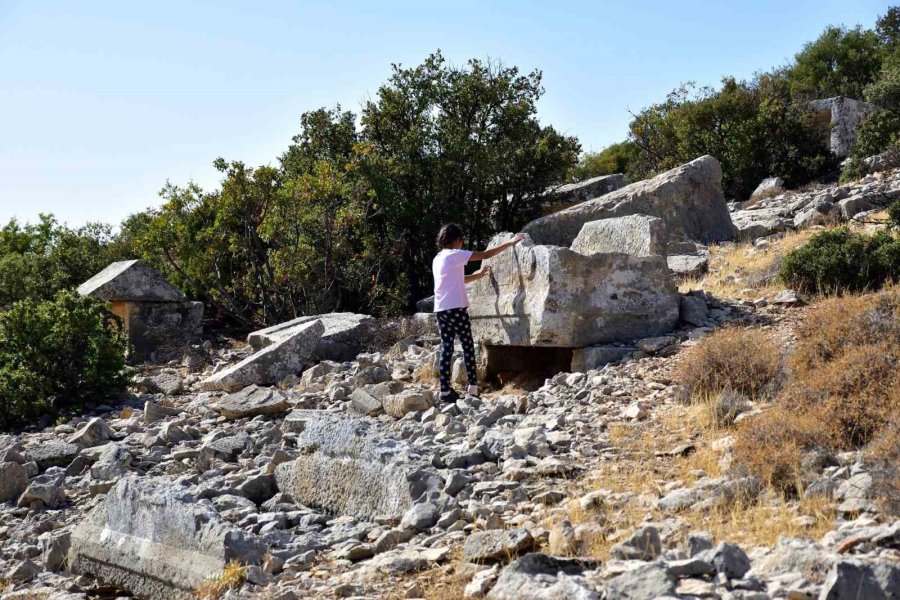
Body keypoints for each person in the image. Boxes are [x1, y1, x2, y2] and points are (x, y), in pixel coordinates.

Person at [432, 224, 524, 402]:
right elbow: (486, 254)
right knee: (467, 346)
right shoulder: (456, 254)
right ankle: (473, 388)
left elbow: (458, 279)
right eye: (461, 241)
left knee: (446, 348)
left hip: (441, 310)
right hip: (456, 309)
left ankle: (444, 390)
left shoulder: (438, 258)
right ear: (457, 240)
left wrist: (479, 275)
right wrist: (510, 243)